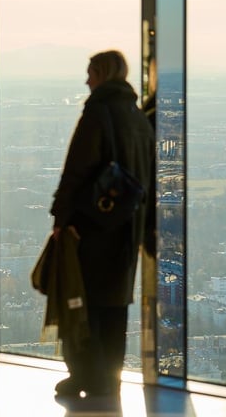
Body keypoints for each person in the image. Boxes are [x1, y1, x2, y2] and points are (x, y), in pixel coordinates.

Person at [49, 50, 155, 397]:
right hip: (129, 228)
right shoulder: (139, 118)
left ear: (103, 74)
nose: (87, 81)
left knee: (83, 302)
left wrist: (62, 218)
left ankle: (84, 375)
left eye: (91, 73)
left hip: (93, 227)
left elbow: (77, 168)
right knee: (114, 306)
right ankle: (110, 379)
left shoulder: (98, 112)